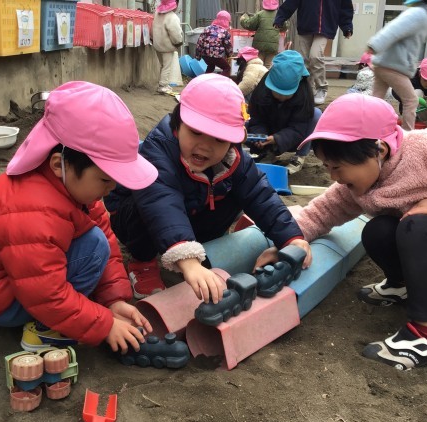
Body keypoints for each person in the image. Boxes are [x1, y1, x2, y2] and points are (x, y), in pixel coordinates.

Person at [261, 94, 427, 370]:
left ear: (379, 150)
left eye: (337, 167)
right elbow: (320, 213)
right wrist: (288, 240)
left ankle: (425, 338)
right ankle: (403, 285)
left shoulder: (425, 148)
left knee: (416, 224)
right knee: (377, 230)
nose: (333, 177)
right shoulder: (357, 185)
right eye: (326, 166)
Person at [0, 81, 159, 354]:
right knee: (93, 245)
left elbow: (108, 242)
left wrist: (113, 301)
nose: (112, 188)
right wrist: (104, 324)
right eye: (105, 179)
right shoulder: (31, 209)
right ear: (59, 164)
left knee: (98, 240)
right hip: (0, 302)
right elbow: (45, 294)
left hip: (16, 281)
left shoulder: (76, 190)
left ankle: (67, 315)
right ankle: (45, 331)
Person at [104, 74, 310, 300]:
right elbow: (162, 202)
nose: (205, 146)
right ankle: (143, 262)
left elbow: (260, 195)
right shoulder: (159, 150)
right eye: (196, 132)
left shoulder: (234, 159)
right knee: (147, 199)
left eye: (219, 139)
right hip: (135, 219)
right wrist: (188, 260)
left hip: (190, 212)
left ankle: (197, 247)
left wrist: (291, 238)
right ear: (178, 123)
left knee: (238, 189)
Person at [367, 0, 427, 131]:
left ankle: (367, 130)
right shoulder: (420, 14)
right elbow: (394, 28)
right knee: (411, 100)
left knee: (376, 100)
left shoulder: (424, 15)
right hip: (393, 65)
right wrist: (374, 46)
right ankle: (407, 135)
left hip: (385, 63)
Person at [247, 50, 322, 175]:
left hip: (293, 138)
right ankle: (267, 153)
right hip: (269, 134)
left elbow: (299, 127)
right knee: (244, 126)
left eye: (287, 94)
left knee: (316, 114)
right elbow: (257, 119)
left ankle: (299, 157)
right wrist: (260, 136)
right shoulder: (262, 91)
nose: (281, 97)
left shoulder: (304, 93)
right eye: (277, 92)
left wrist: (277, 139)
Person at [273, 0, 354, 105]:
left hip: (325, 27)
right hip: (305, 26)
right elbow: (291, 2)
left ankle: (321, 88)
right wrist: (280, 18)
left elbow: (345, 8)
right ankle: (308, 90)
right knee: (304, 61)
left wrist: (347, 26)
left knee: (315, 56)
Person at [239, 0, 287, 68]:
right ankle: (267, 74)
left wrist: (243, 19)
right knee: (268, 65)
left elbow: (250, 25)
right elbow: (284, 27)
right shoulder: (279, 15)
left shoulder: (260, 14)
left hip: (259, 46)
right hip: (272, 46)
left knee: (259, 65)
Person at [152, 0, 183, 95]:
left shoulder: (157, 14)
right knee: (166, 67)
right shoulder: (172, 17)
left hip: (157, 45)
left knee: (162, 65)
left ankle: (162, 84)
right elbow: (176, 34)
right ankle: (163, 86)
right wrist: (178, 43)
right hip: (167, 47)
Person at [195, 10, 233, 77]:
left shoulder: (207, 28)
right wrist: (230, 55)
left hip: (205, 55)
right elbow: (228, 46)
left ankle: (204, 80)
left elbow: (200, 42)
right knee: (227, 68)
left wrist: (198, 56)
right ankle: (219, 81)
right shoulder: (225, 32)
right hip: (216, 56)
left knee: (211, 66)